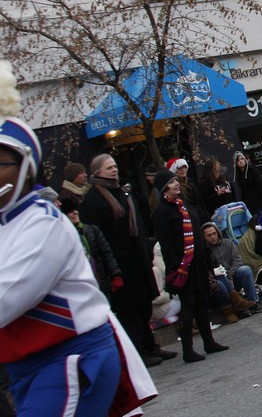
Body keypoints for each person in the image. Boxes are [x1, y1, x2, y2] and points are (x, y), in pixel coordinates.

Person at [0, 79, 124, 415]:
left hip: (69, 359)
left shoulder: (43, 223)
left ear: (25, 167)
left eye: (0, 164)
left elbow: (5, 298)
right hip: (28, 368)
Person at [79, 153, 164, 367]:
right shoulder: (92, 201)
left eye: (115, 166)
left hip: (138, 259)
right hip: (120, 264)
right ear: (97, 172)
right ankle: (138, 352)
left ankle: (151, 345)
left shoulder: (122, 192)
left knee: (145, 307)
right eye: (109, 168)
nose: (114, 170)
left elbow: (139, 224)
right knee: (130, 312)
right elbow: (96, 237)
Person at [151, 169, 230, 362]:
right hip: (182, 268)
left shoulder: (184, 205)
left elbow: (197, 230)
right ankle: (187, 349)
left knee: (201, 302)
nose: (176, 184)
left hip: (197, 263)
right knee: (188, 306)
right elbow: (167, 244)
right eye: (171, 182)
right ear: (164, 189)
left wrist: (205, 256)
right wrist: (176, 269)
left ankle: (209, 342)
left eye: (175, 180)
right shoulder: (161, 212)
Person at [61, 198, 124, 300]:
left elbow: (106, 253)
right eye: (69, 211)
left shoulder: (92, 230)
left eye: (75, 209)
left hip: (101, 282)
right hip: (84, 287)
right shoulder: (64, 237)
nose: (75, 213)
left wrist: (116, 274)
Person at [201, 221, 262, 316]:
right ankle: (237, 308)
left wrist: (230, 276)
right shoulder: (205, 251)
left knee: (245, 269)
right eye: (209, 235)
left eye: (214, 233)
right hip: (219, 280)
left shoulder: (228, 243)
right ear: (204, 237)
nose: (212, 237)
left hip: (233, 276)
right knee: (220, 283)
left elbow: (238, 260)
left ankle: (254, 303)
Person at [232, 150, 262, 215]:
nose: (241, 161)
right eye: (238, 160)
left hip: (259, 201)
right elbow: (243, 191)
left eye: (242, 159)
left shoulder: (253, 171)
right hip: (249, 204)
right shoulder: (239, 175)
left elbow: (261, 187)